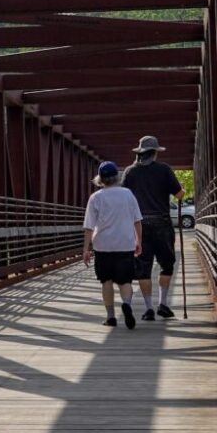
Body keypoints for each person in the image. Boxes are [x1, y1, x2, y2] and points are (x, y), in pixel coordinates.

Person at [121, 135, 181, 322]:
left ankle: (148, 309)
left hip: (140, 225)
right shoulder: (164, 170)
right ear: (154, 153)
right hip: (162, 223)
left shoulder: (130, 172)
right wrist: (183, 191)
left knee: (143, 268)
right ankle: (163, 304)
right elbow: (179, 194)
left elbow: (124, 198)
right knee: (167, 264)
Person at [81, 160, 144, 329]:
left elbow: (89, 226)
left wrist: (86, 249)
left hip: (103, 245)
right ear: (118, 177)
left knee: (106, 281)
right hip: (125, 243)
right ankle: (127, 304)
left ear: (100, 179)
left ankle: (110, 317)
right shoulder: (128, 194)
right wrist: (139, 241)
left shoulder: (96, 197)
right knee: (125, 281)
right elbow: (137, 221)